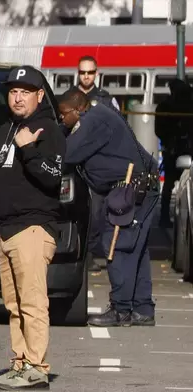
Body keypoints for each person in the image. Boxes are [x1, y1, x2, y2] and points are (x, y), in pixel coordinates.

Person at [0, 65, 66, 390]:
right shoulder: (4, 131)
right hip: (5, 230)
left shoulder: (48, 130)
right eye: (13, 91)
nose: (18, 97)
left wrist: (28, 149)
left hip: (33, 228)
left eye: (26, 91)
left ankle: (37, 368)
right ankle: (20, 363)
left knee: (32, 302)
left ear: (40, 95)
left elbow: (52, 178)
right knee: (13, 305)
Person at [58, 89, 160, 328]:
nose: (62, 119)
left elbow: (66, 154)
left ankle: (121, 310)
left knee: (118, 245)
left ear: (78, 109)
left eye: (64, 115)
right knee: (136, 249)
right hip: (140, 186)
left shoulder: (93, 121)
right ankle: (142, 309)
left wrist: (58, 133)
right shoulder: (98, 115)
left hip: (130, 189)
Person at [65, 55, 120, 272]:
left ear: (96, 73)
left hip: (98, 166)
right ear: (77, 73)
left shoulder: (106, 99)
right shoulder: (68, 98)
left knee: (98, 213)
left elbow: (117, 129)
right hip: (73, 164)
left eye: (90, 72)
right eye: (82, 72)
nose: (86, 76)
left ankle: (92, 252)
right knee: (73, 210)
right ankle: (77, 252)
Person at [155, 79, 193, 227]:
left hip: (186, 148)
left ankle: (165, 216)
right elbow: (159, 129)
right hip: (172, 150)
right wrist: (170, 141)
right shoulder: (165, 106)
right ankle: (164, 216)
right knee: (169, 183)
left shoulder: (188, 105)